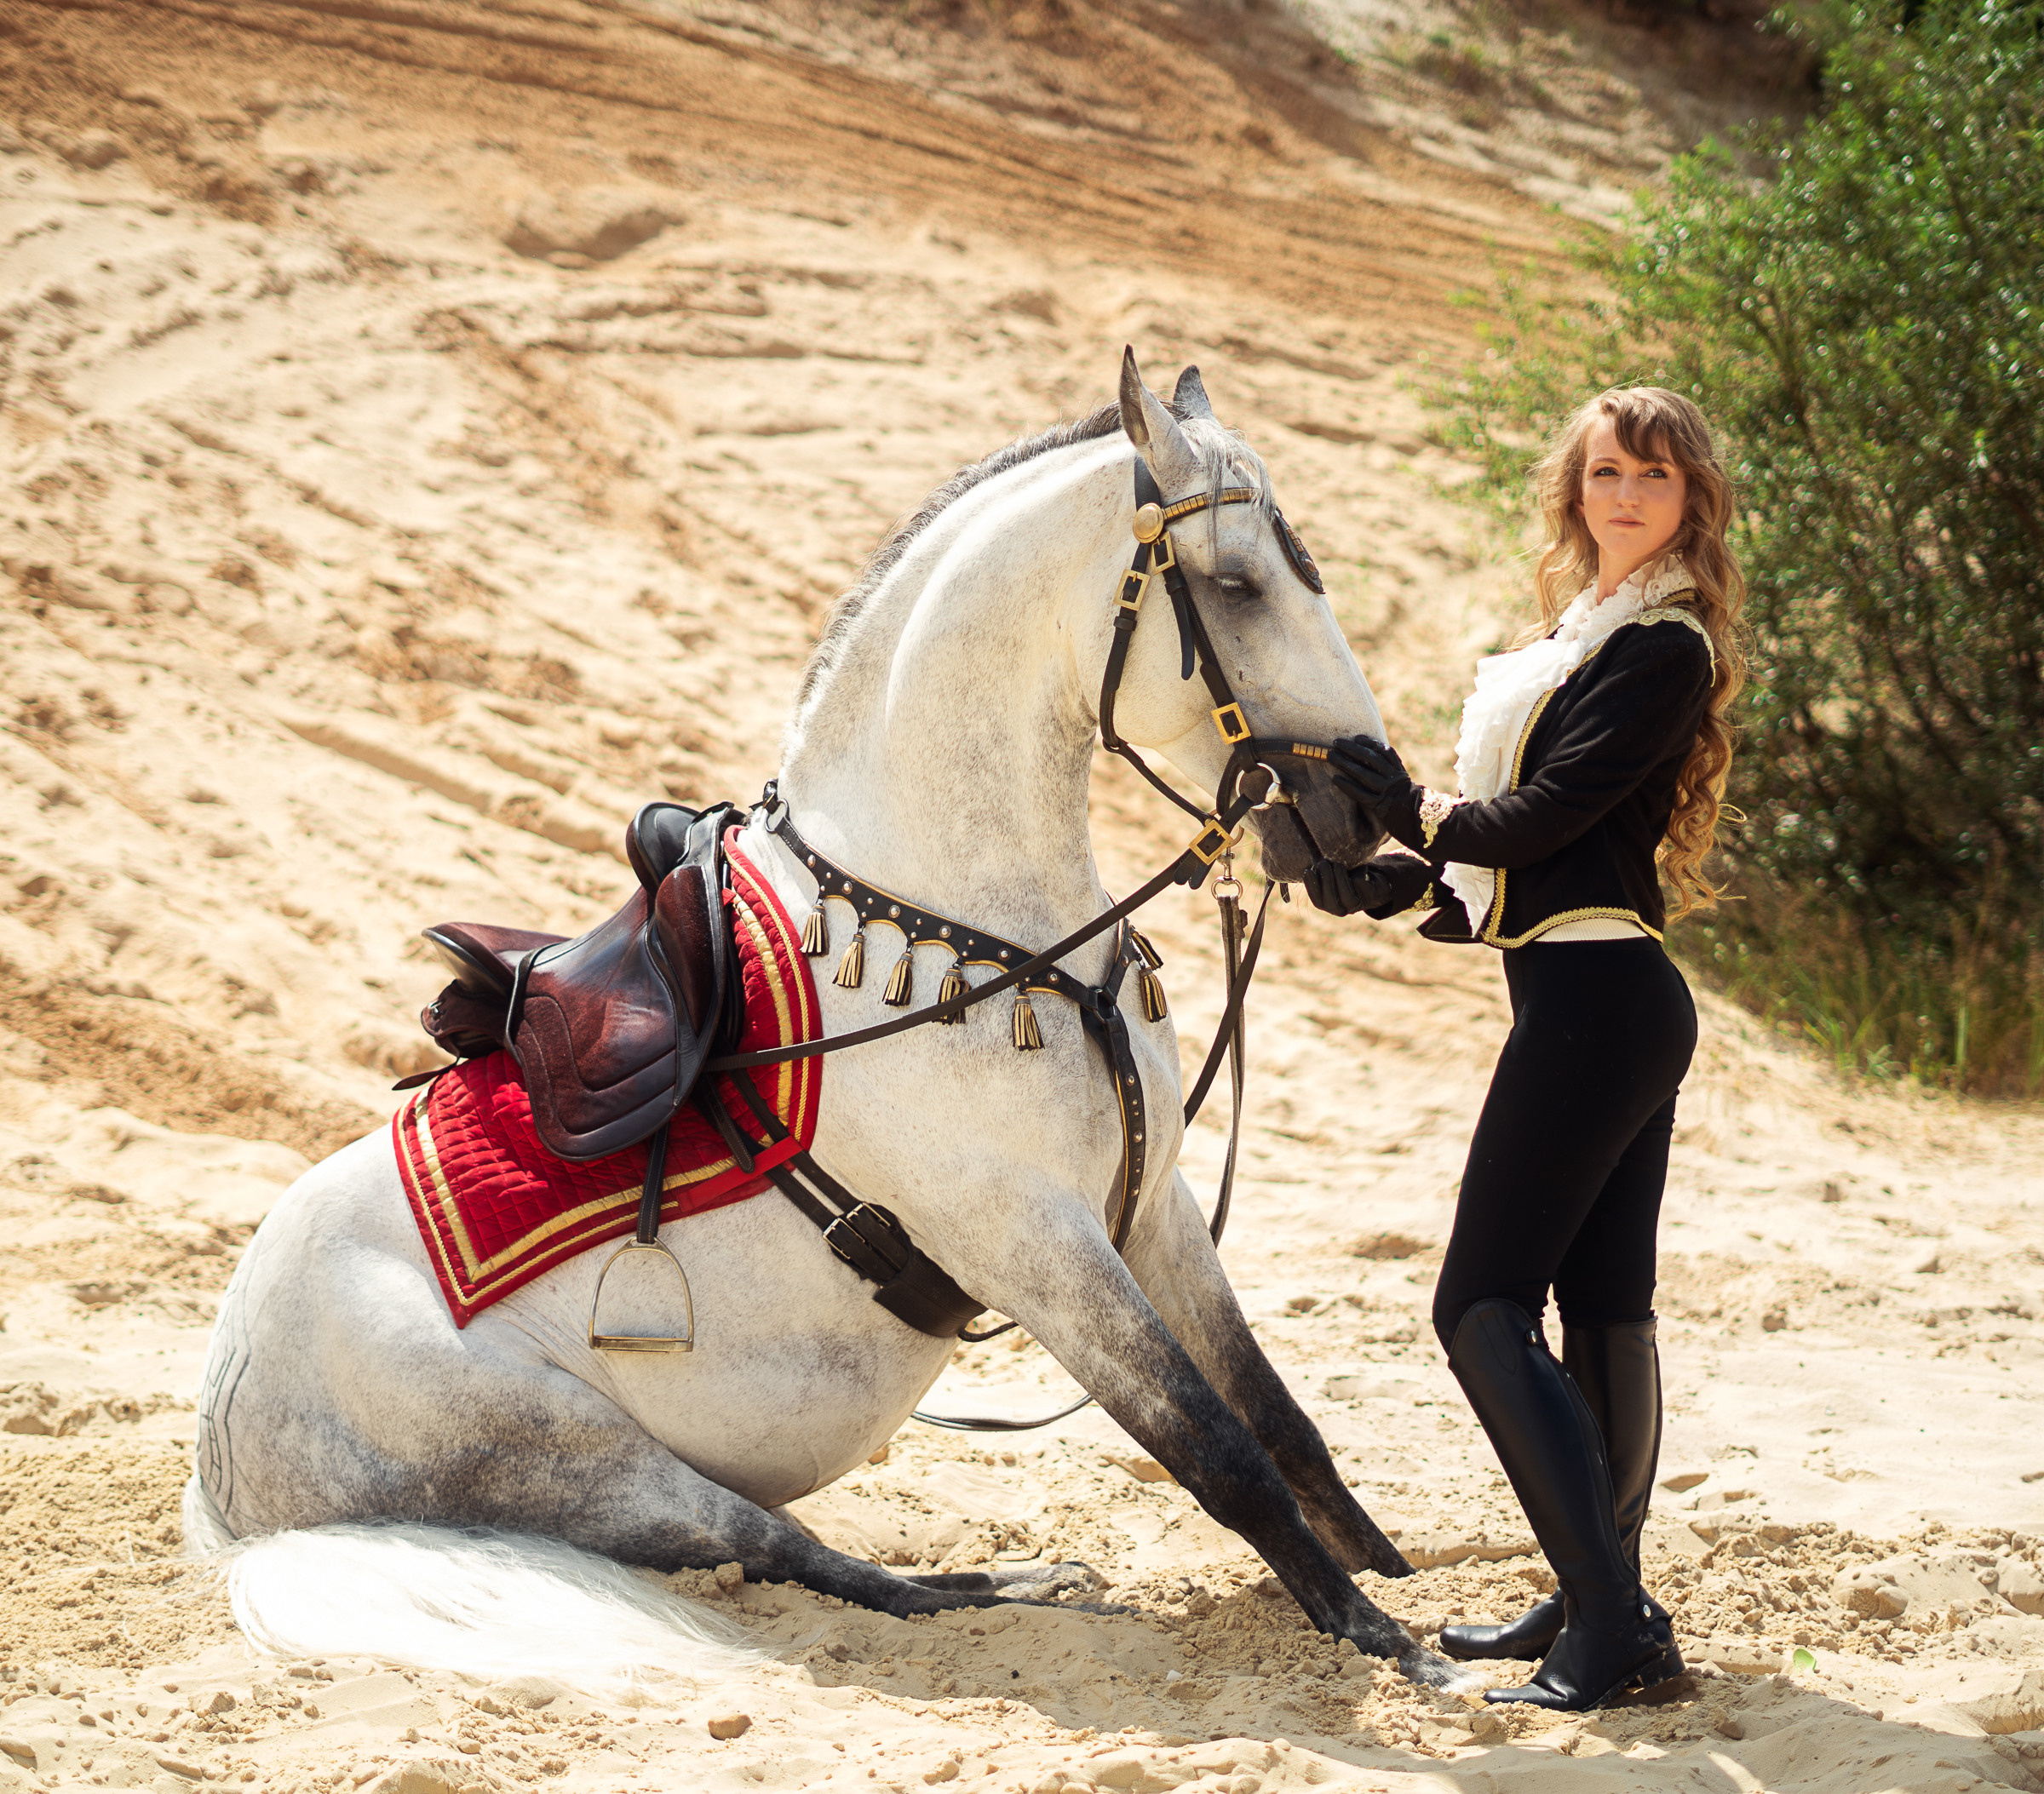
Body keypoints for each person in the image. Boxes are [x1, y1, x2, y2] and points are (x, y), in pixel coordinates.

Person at [1304, 386, 1746, 1711]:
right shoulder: (1578, 636)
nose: (1627, 494)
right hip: (1594, 993)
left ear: (1689, 503)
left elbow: (1543, 819)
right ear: (1576, 492)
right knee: (1603, 1307)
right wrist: (1404, 883)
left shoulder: (1661, 648)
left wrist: (1404, 805)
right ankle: (1594, 1586)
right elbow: (1539, 864)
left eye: (1656, 478)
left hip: (1599, 1010)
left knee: (1479, 1305)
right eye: (1608, 471)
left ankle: (1615, 1624)